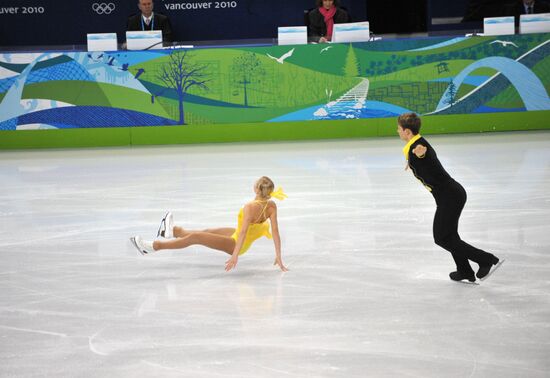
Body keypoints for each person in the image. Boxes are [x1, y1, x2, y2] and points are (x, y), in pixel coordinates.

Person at [397, 113, 501, 283]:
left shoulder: (419, 146)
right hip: (449, 195)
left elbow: (424, 153)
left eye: (399, 129)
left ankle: (485, 259)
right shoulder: (413, 145)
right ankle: (465, 271)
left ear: (407, 131)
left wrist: (420, 155)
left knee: (441, 238)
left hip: (450, 196)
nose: (397, 132)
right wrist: (413, 160)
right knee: (450, 236)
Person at [130, 176, 288, 272]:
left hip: (236, 243)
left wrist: (234, 256)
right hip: (239, 236)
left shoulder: (250, 207)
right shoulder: (271, 205)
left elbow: (243, 233)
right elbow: (275, 232)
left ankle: (153, 247)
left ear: (256, 189)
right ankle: (172, 231)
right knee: (208, 231)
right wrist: (278, 256)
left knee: (197, 237)